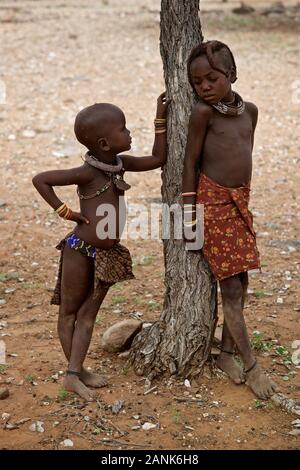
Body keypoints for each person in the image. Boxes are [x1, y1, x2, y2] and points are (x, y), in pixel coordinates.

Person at [32, 93, 169, 401]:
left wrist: (159, 118)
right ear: (104, 143)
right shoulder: (87, 172)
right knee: (69, 313)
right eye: (123, 128)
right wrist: (64, 211)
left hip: (106, 255)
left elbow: (158, 158)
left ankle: (76, 370)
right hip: (80, 249)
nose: (129, 131)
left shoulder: (120, 165)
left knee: (88, 315)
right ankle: (73, 374)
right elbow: (41, 179)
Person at [182, 41, 278, 399]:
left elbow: (243, 154)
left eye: (212, 78)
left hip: (240, 203)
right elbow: (190, 163)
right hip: (213, 203)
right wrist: (189, 212)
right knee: (232, 290)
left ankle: (225, 354)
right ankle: (251, 366)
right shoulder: (202, 114)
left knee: (242, 282)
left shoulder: (249, 111)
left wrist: (243, 198)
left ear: (231, 75)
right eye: (197, 82)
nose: (204, 87)